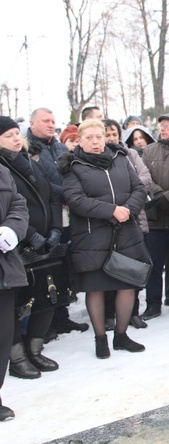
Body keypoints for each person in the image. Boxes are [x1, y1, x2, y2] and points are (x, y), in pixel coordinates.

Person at [58, 119, 149, 358]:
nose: (96, 142)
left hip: (126, 232)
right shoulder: (72, 165)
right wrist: (111, 210)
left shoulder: (119, 157)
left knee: (127, 284)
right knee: (96, 288)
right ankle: (101, 339)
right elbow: (76, 200)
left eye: (99, 136)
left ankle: (121, 335)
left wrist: (128, 209)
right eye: (90, 138)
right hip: (91, 237)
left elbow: (139, 188)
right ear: (80, 140)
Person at [0, 117, 62, 379]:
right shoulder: (3, 166)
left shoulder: (28, 162)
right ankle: (17, 357)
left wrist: (56, 228)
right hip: (17, 247)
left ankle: (35, 349)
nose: (17, 139)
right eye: (8, 135)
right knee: (14, 305)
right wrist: (30, 234)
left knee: (48, 294)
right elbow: (14, 207)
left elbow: (50, 195)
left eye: (17, 133)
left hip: (46, 242)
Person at [26, 108, 89, 336]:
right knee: (43, 269)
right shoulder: (27, 148)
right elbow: (35, 181)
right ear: (32, 123)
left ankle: (62, 316)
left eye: (53, 121)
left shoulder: (60, 147)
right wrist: (68, 194)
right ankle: (43, 324)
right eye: (45, 121)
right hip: (44, 215)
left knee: (63, 266)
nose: (51, 124)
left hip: (65, 215)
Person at [102, 119, 153, 329]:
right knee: (108, 270)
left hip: (133, 218)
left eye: (114, 134)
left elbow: (145, 178)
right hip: (106, 221)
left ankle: (132, 312)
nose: (111, 138)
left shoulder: (130, 154)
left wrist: (127, 196)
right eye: (106, 134)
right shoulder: (94, 159)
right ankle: (108, 315)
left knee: (133, 268)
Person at [141, 114, 169, 320]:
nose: (163, 129)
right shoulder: (149, 150)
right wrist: (159, 195)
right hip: (155, 215)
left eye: (167, 126)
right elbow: (144, 177)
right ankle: (152, 304)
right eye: (161, 126)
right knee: (154, 263)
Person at [0, 159, 29, 422]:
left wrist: (12, 228)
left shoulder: (2, 171)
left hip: (3, 269)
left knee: (3, 334)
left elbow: (18, 204)